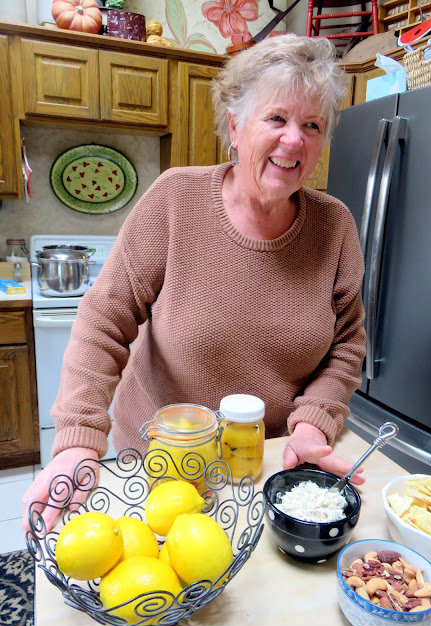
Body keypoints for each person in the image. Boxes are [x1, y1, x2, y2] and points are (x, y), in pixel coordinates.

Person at [22, 34, 366, 531]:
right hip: (162, 464)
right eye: (276, 118)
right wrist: (78, 439)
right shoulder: (176, 200)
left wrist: (315, 420)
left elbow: (348, 345)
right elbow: (103, 322)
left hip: (271, 463)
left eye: (312, 125)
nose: (294, 140)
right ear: (235, 126)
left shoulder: (334, 226)